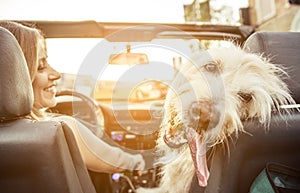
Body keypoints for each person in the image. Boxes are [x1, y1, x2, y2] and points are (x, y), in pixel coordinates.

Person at [0, 21, 145, 173]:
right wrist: (137, 161)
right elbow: (116, 162)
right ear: (13, 75)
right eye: (41, 66)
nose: (56, 74)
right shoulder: (60, 130)